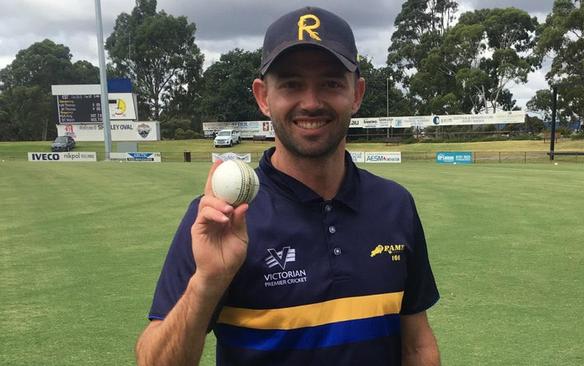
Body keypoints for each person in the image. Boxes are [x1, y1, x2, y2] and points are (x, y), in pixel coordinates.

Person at [135, 6, 441, 366]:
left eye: (330, 83)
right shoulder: (221, 217)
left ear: (356, 94)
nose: (311, 103)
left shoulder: (395, 205)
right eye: (292, 84)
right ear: (263, 96)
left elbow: (417, 346)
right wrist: (208, 281)